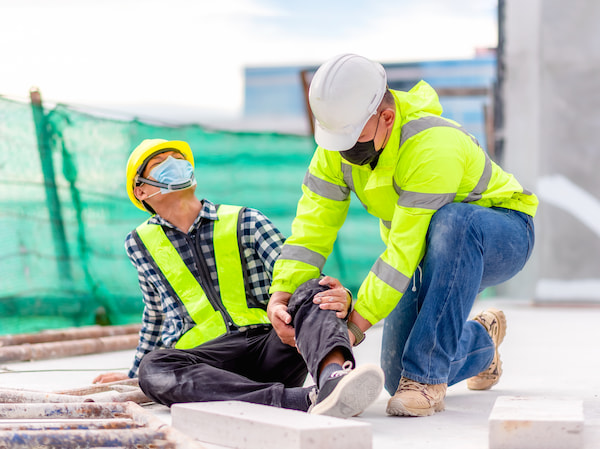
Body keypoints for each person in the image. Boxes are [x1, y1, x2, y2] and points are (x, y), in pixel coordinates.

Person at [268, 54, 537, 417]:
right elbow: (311, 230)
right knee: (396, 374)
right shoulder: (335, 151)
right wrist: (282, 296)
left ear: (387, 118)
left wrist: (352, 327)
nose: (346, 150)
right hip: (427, 250)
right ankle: (482, 342)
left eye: (353, 137)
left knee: (452, 222)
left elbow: (403, 252)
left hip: (501, 235)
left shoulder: (432, 146)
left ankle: (427, 380)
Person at [93, 138, 384, 418]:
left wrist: (343, 296)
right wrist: (133, 373)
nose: (174, 165)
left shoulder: (246, 221)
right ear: (141, 191)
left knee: (311, 288)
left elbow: (297, 274)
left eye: (179, 160)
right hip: (205, 363)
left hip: (269, 345)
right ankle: (300, 400)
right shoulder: (139, 243)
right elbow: (156, 315)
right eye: (160, 163)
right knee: (153, 368)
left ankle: (332, 380)